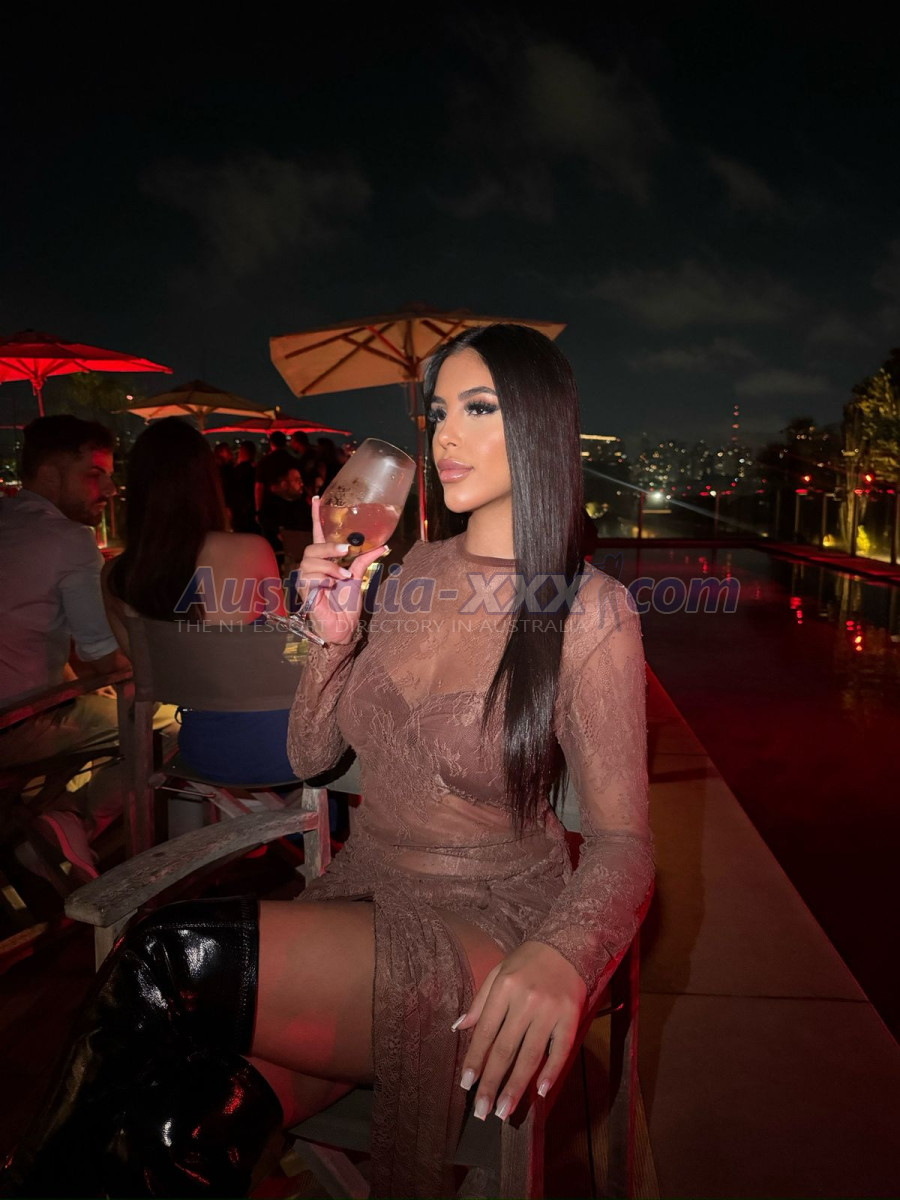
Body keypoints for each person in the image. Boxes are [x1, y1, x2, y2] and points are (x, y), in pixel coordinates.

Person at [4, 326, 653, 1198]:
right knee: (186, 1123)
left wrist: (566, 955)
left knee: (165, 954)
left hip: (488, 924)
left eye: (477, 408)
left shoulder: (590, 611)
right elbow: (310, 757)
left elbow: (622, 842)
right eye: (438, 413)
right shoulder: (412, 571)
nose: (444, 436)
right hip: (361, 894)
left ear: (539, 424)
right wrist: (331, 637)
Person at [99, 418, 298, 785]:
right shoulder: (249, 549)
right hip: (286, 747)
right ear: (206, 483)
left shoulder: (115, 576)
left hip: (203, 752)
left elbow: (150, 671)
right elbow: (285, 646)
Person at [0, 416, 130, 880]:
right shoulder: (69, 539)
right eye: (94, 475)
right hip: (17, 725)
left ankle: (46, 822)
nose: (110, 489)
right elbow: (102, 654)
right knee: (175, 728)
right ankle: (70, 821)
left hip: (23, 707)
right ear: (50, 475)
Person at [231, 440, 259, 533]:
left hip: (240, 511)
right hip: (253, 509)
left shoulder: (237, 470)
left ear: (242, 452)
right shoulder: (257, 469)